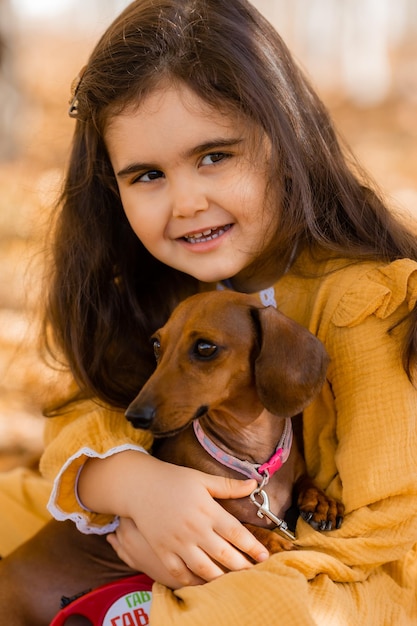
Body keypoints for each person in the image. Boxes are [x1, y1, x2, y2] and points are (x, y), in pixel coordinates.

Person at [1, 0, 417, 623]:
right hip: (146, 537)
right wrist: (134, 487)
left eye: (214, 156)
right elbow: (84, 419)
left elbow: (389, 529)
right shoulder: (165, 288)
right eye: (146, 174)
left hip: (327, 575)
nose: (186, 202)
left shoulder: (360, 302)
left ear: (287, 141)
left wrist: (212, 555)